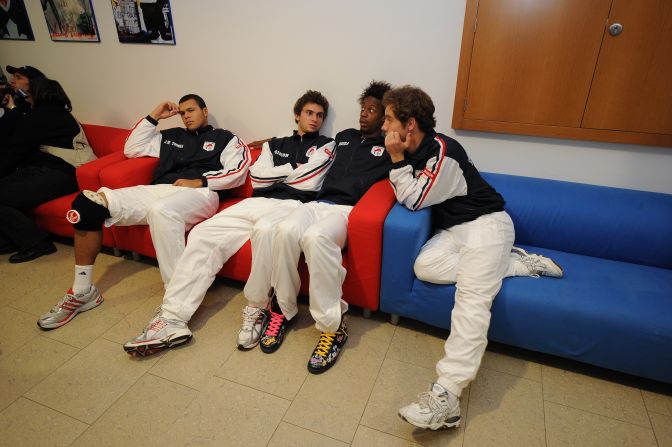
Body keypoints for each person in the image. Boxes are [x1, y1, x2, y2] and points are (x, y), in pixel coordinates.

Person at [382, 86, 563, 430]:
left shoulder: (444, 152)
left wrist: (395, 160)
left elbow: (414, 200)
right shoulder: (412, 148)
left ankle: (446, 397)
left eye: (389, 119)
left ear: (410, 125)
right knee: (424, 266)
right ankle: (514, 264)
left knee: (472, 296)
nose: (383, 127)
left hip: (488, 227)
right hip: (453, 233)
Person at [122, 90, 335, 356]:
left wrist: (277, 174)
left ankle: (257, 308)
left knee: (264, 231)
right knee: (203, 233)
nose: (314, 119)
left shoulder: (328, 144)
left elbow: (309, 182)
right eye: (309, 113)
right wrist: (293, 167)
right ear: (297, 115)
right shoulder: (274, 144)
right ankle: (173, 319)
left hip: (292, 206)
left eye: (319, 115)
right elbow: (257, 179)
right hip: (255, 202)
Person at [37, 94, 250, 329]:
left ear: (205, 111)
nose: (186, 116)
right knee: (89, 205)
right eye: (182, 113)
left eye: (191, 110)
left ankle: (175, 300)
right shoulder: (170, 138)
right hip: (160, 189)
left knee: (161, 211)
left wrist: (200, 181)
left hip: (201, 194)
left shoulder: (225, 138)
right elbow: (132, 148)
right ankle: (82, 291)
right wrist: (154, 116)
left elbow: (238, 170)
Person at [261, 80, 393, 374]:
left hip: (348, 212)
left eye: (372, 110)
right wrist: (265, 143)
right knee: (285, 230)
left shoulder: (389, 146)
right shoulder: (343, 137)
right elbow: (311, 153)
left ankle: (333, 327)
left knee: (316, 237)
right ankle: (283, 309)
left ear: (384, 116)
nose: (364, 114)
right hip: (318, 203)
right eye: (363, 108)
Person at [0, 77, 90, 262]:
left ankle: (38, 243)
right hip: (61, 170)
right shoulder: (58, 112)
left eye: (29, 95)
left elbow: (14, 151)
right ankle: (11, 240)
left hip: (61, 172)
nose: (27, 98)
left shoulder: (39, 117)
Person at [1, 65, 46, 137]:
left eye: (18, 77)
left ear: (33, 83)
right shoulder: (16, 98)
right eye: (14, 76)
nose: (12, 81)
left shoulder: (41, 107)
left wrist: (12, 108)